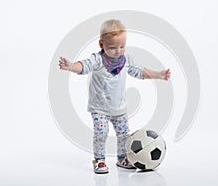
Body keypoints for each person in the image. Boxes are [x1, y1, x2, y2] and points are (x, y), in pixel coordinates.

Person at [59, 19, 171, 174]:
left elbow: (139, 71)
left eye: (122, 46)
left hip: (119, 107)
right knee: (101, 132)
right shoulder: (97, 60)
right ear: (101, 44)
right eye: (112, 47)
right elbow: (84, 66)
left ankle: (122, 158)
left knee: (123, 135)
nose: (118, 51)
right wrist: (72, 66)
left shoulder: (126, 60)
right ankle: (99, 160)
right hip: (100, 108)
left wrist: (158, 75)